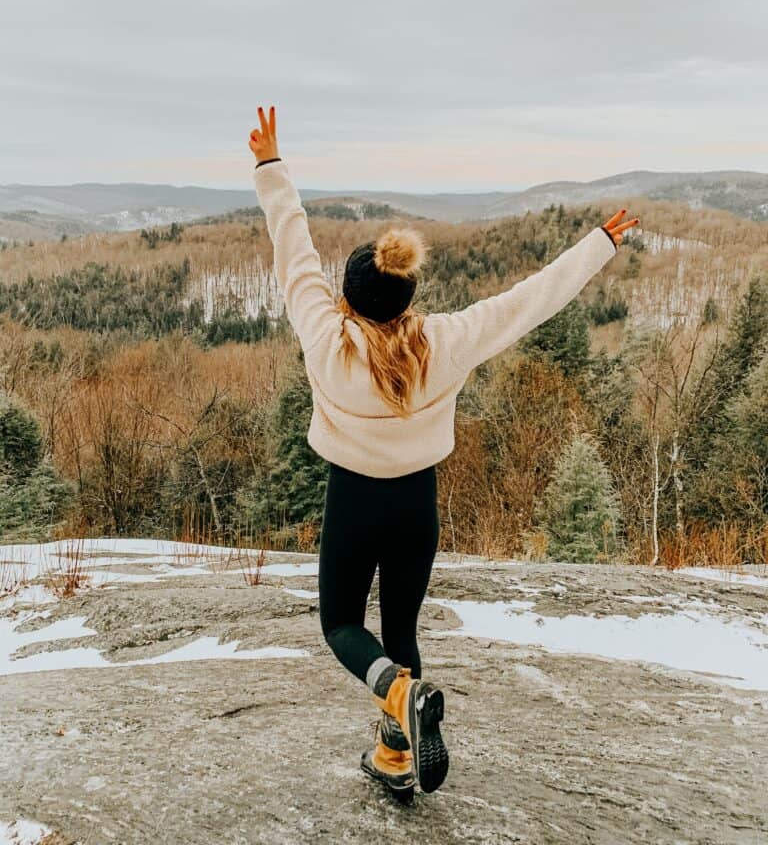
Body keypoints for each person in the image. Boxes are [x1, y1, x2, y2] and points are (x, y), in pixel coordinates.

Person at [248, 105, 639, 802]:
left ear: (346, 297)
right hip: (415, 503)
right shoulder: (447, 341)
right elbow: (529, 301)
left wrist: (271, 166)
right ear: (407, 297)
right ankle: (398, 752)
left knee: (342, 624)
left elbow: (293, 245)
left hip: (355, 498)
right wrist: (598, 244)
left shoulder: (323, 336)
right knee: (400, 625)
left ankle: (397, 697)